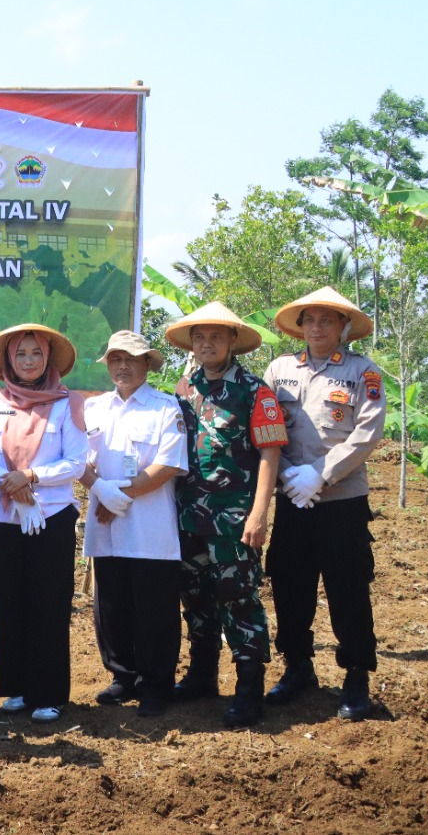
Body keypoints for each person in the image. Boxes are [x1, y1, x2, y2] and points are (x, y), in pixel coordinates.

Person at [261, 287, 386, 721]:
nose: (317, 327)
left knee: (347, 587)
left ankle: (356, 674)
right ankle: (298, 667)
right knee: (289, 584)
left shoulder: (363, 372)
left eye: (327, 320)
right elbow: (265, 429)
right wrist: (288, 476)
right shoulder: (279, 370)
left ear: (343, 327)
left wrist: (320, 474)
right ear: (300, 327)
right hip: (291, 498)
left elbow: (366, 434)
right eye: (310, 320)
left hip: (341, 501)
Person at [165, 302, 286, 728]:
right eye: (200, 337)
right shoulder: (184, 388)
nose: (207, 344)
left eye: (216, 336)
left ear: (233, 340)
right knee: (196, 598)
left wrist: (259, 514)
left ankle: (249, 689)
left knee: (239, 600)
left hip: (234, 521)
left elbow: (270, 453)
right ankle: (202, 676)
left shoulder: (254, 391)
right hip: (188, 517)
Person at [0, 323, 87, 724]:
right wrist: (12, 484)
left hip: (51, 517)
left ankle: (49, 693)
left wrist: (31, 477)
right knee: (10, 602)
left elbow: (76, 462)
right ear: (9, 361)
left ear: (48, 359)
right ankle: (17, 688)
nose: (28, 361)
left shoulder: (67, 404)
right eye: (20, 354)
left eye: (35, 353)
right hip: (3, 518)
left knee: (49, 603)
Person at [81, 331, 189, 718]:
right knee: (112, 605)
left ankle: (156, 685)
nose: (122, 366)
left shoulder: (165, 408)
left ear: (147, 364)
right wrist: (101, 490)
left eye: (131, 359)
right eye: (115, 359)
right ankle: (122, 676)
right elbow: (81, 461)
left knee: (154, 609)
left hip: (150, 527)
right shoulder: (94, 408)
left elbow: (168, 465)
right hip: (105, 524)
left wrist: (119, 497)